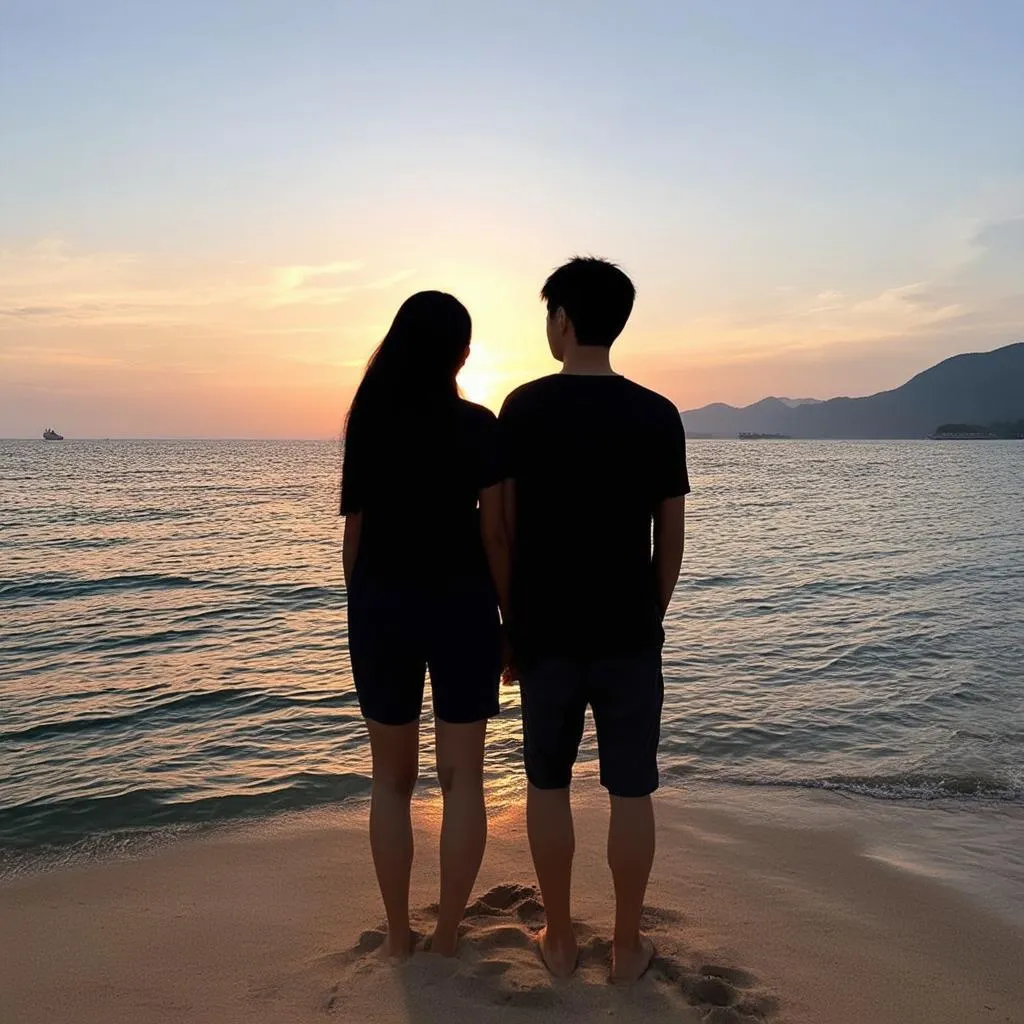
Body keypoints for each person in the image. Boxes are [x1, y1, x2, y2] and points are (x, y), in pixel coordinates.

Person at [499, 257, 689, 983]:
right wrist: (649, 613)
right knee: (631, 787)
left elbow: (507, 530)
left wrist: (511, 625)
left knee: (547, 782)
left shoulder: (522, 408)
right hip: (629, 634)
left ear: (564, 319)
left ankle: (556, 935)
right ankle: (626, 943)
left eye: (549, 313)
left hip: (545, 633)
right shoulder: (657, 413)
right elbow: (668, 541)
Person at [341, 291, 511, 958]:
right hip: (464, 604)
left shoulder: (370, 421)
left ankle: (398, 935)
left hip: (382, 603)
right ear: (461, 353)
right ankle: (445, 937)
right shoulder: (479, 425)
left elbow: (354, 537)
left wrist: (363, 609)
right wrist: (511, 621)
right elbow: (496, 535)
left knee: (391, 781)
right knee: (463, 778)